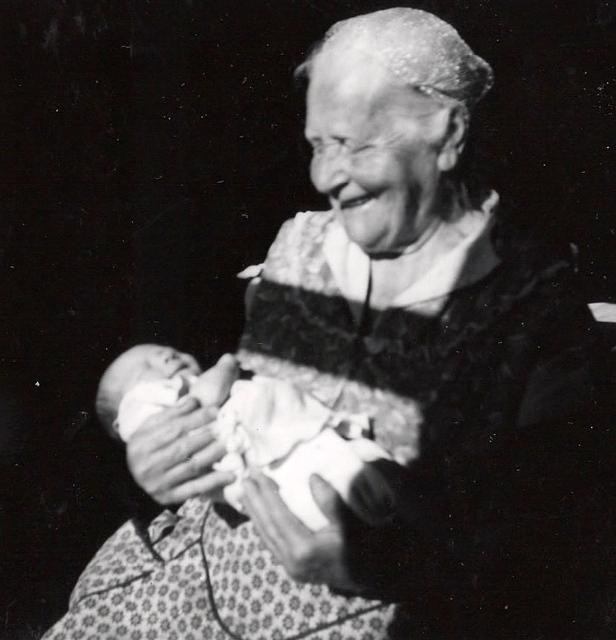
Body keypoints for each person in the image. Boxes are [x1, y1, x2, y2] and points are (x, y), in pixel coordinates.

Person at [44, 8, 602, 639]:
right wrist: (156, 468)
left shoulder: (538, 319)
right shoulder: (296, 246)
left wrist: (388, 567)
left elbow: (554, 568)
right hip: (188, 580)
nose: (325, 177)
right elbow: (224, 408)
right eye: (317, 145)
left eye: (355, 143)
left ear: (448, 135)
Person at [96, 343, 391, 530]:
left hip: (292, 453)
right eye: (145, 366)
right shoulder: (144, 408)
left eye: (166, 349)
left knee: (366, 487)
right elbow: (207, 397)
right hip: (279, 463)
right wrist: (227, 364)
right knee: (353, 491)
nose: (165, 355)